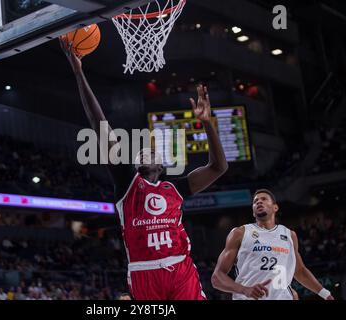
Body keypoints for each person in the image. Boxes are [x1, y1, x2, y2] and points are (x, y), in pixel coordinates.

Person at [60, 38, 228, 300]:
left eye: (151, 150)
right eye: (140, 151)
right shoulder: (126, 182)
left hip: (180, 268)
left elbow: (218, 166)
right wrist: (78, 72)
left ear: (161, 166)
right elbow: (99, 123)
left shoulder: (176, 188)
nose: (144, 152)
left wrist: (207, 123)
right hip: (143, 273)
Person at [211, 189, 335, 300]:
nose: (259, 202)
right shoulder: (240, 233)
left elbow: (300, 271)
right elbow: (217, 278)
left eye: (264, 199)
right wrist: (244, 289)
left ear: (275, 207)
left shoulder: (290, 235)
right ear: (253, 212)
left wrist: (325, 294)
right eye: (255, 201)